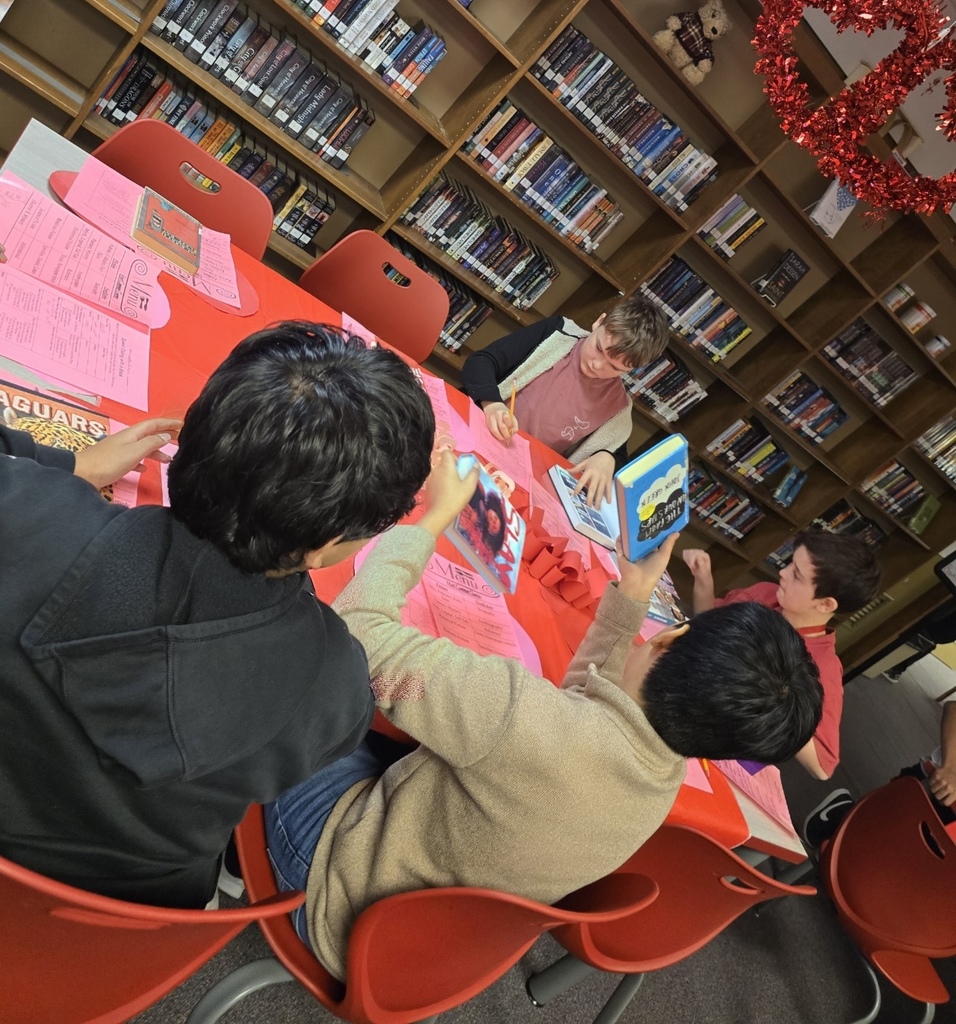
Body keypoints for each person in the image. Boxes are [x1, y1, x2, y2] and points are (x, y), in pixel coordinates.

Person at [264, 450, 823, 981]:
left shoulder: (515, 717)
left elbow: (361, 643)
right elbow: (585, 715)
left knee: (305, 684)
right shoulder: (659, 783)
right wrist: (632, 592)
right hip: (429, 952)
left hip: (335, 895)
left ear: (669, 638)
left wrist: (432, 519)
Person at [0, 322, 434, 909]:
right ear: (330, 544)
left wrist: (67, 464)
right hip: (132, 915)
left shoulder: (21, 510)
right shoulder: (332, 687)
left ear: (196, 433)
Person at [682, 530, 882, 781]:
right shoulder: (765, 594)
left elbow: (823, 767)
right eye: (790, 563)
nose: (783, 573)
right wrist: (703, 579)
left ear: (825, 604)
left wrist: (783, 697)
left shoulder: (822, 668)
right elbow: (707, 624)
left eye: (796, 575)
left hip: (712, 742)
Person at [460, 295, 669, 507]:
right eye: (599, 349)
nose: (597, 365)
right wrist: (492, 404)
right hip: (477, 432)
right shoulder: (556, 334)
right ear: (599, 322)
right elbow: (482, 362)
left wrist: (608, 458)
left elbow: (617, 453)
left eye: (615, 367)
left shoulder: (617, 409)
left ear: (633, 369)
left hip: (522, 478)